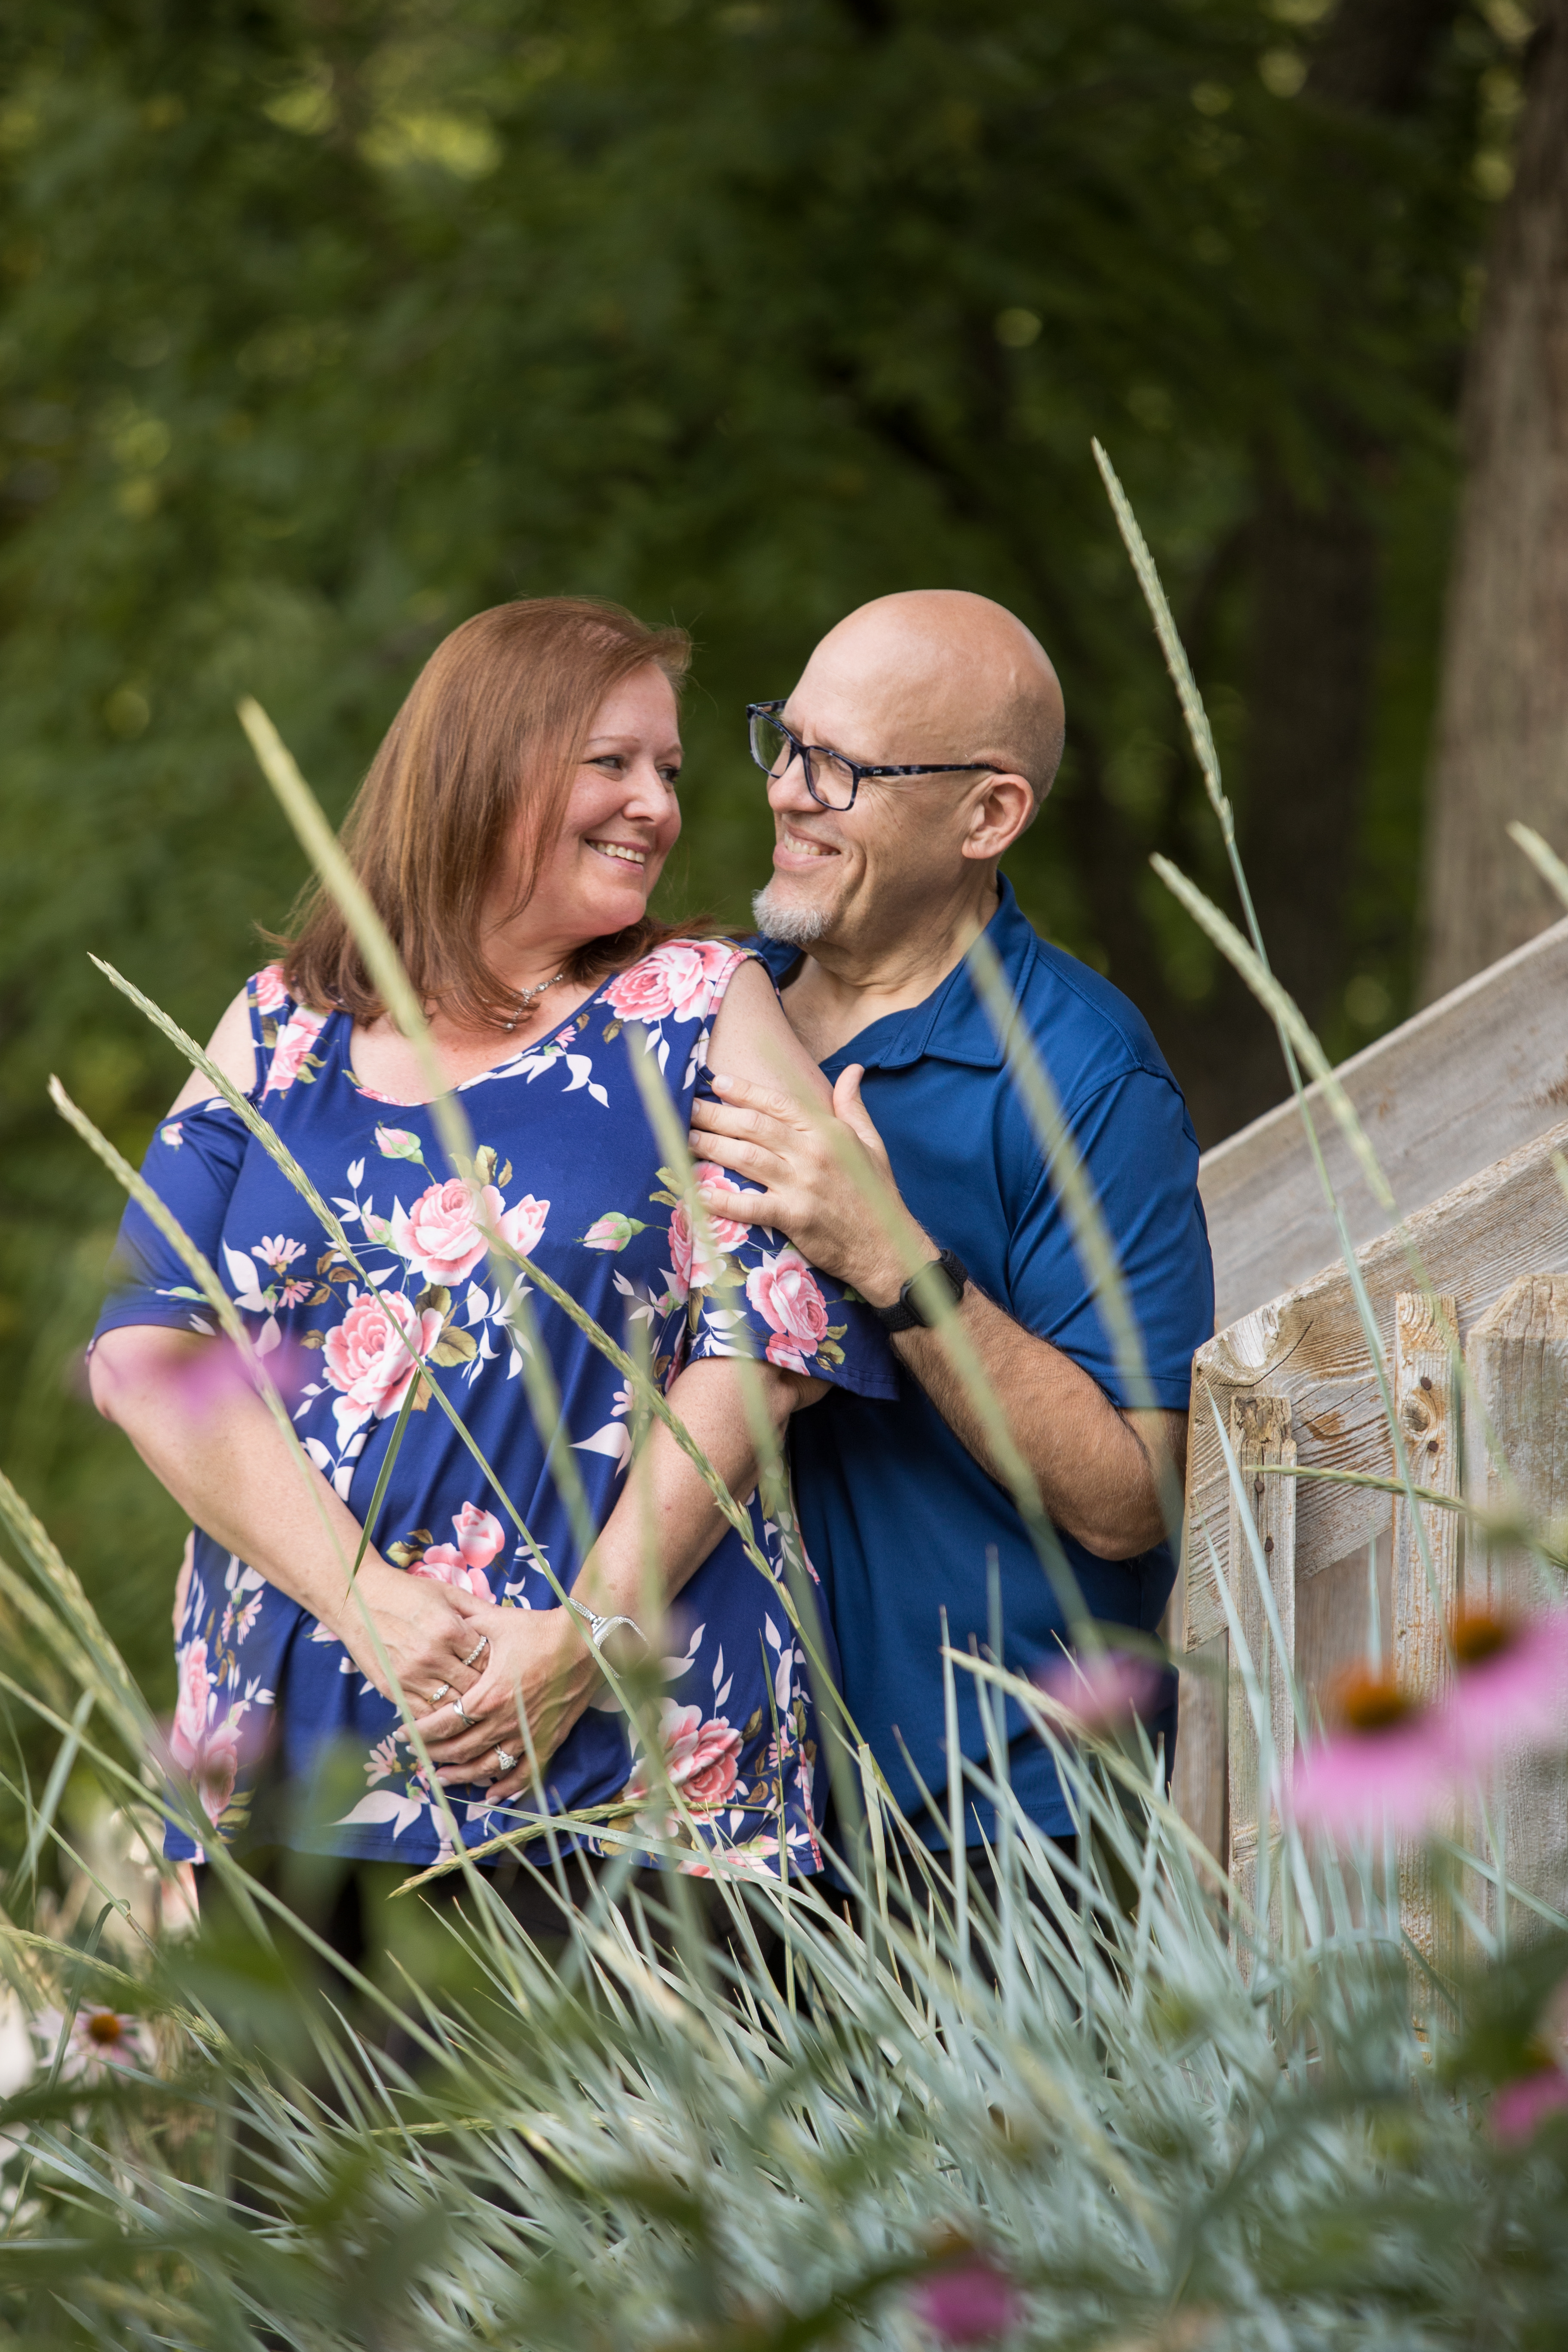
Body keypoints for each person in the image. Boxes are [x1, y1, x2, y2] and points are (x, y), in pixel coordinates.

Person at [88, 596, 894, 1950]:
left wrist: (583, 1637)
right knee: (305, 2168)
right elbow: (146, 1352)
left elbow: (772, 1336)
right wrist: (368, 1602)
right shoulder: (280, 1024)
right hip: (295, 1760)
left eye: (671, 774)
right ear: (485, 765)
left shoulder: (698, 1008)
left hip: (625, 1772)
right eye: (614, 763)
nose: (658, 806)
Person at [688, 589, 1214, 1888]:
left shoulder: (1085, 1078)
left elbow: (1133, 1497)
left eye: (845, 769)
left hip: (1000, 1831)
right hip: (723, 1821)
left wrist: (892, 1260)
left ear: (989, 815)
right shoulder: (696, 1011)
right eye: (786, 742)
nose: (791, 794)